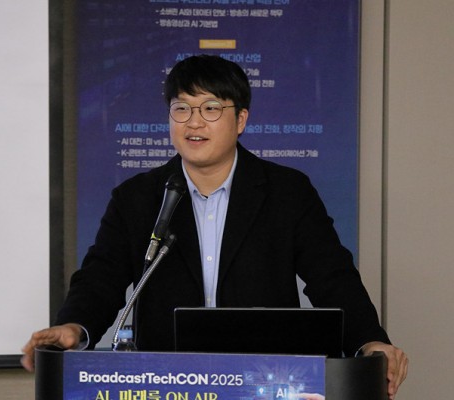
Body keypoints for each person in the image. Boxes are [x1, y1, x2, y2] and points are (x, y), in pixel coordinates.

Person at [22, 55, 407, 399]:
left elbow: (333, 277)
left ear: (240, 120)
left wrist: (369, 341)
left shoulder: (287, 192)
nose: (194, 122)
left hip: (264, 384)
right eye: (181, 108)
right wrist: (74, 326)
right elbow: (100, 278)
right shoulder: (137, 197)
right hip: (169, 385)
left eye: (210, 108)